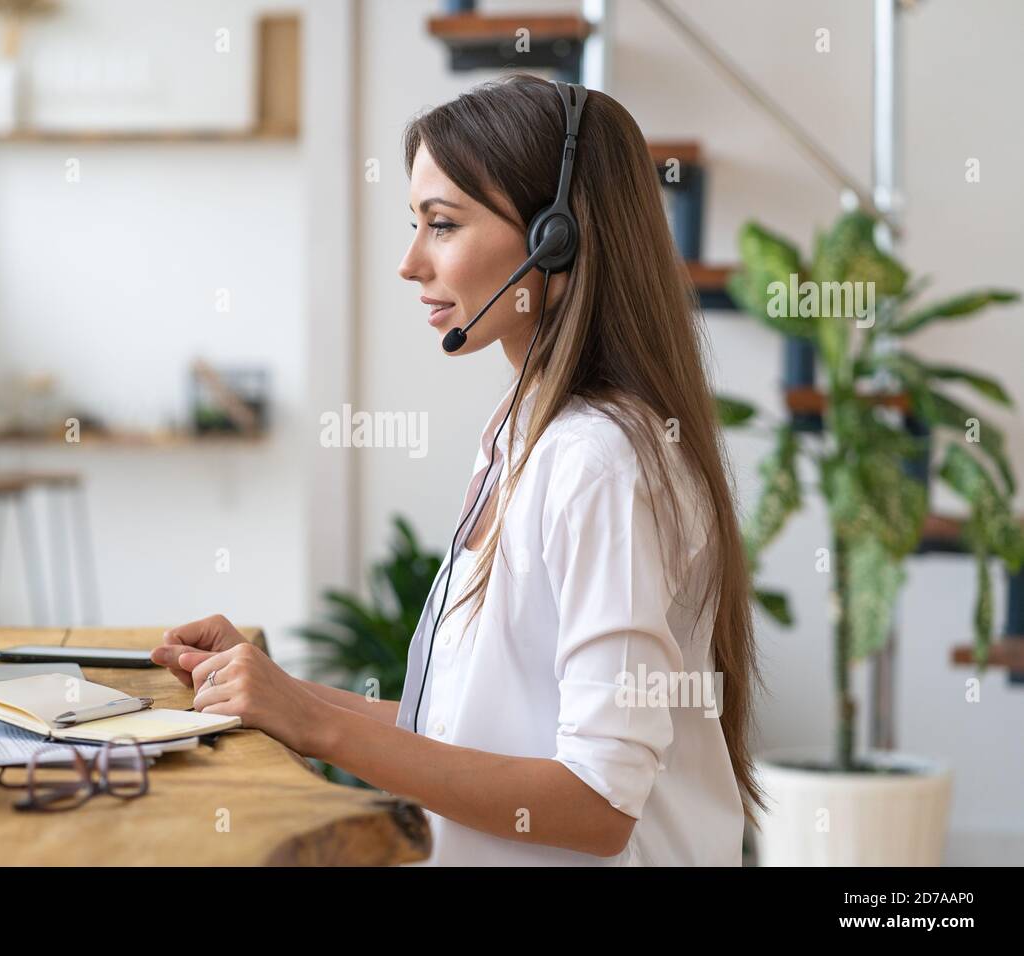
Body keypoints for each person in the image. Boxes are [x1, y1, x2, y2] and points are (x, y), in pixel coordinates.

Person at [151, 72, 764, 865]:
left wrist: (317, 725)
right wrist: (279, 694)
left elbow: (599, 804)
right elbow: (458, 734)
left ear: (557, 240)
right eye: (415, 223)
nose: (410, 263)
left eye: (442, 225)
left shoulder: (600, 464)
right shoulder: (521, 436)